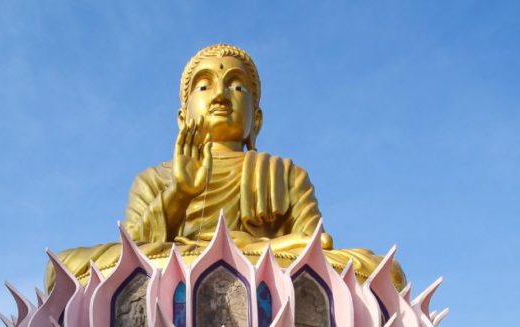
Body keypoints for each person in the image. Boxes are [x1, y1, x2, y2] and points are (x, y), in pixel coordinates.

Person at [52, 44, 403, 289]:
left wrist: (244, 245)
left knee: (384, 272)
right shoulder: (154, 178)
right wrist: (179, 193)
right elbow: (133, 250)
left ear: (258, 121)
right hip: (178, 260)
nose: (220, 95)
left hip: (258, 266)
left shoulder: (285, 173)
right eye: (204, 86)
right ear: (181, 118)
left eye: (236, 86)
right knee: (63, 268)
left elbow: (316, 245)